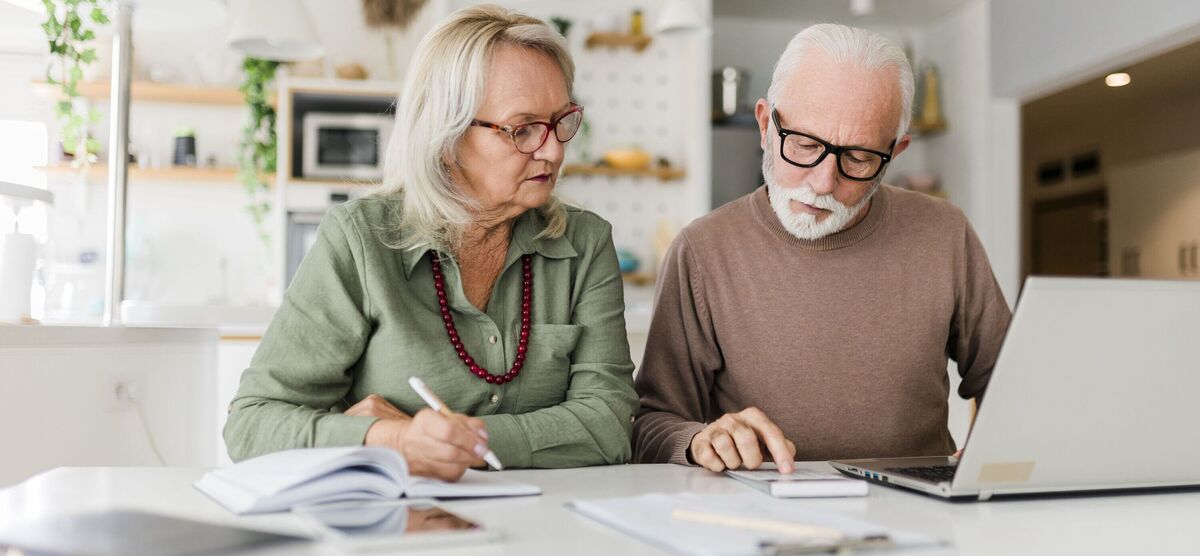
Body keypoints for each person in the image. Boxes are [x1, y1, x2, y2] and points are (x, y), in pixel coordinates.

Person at [225, 5, 637, 480]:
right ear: (446, 134)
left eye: (561, 121)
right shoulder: (361, 240)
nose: (554, 149)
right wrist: (388, 440)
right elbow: (251, 425)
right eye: (522, 129)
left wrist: (458, 442)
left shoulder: (585, 243)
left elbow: (609, 424)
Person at [632, 23, 1012, 472]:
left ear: (898, 150)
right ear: (764, 126)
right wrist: (698, 440)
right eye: (805, 145)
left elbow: (1010, 381)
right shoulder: (702, 250)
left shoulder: (945, 233)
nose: (823, 182)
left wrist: (998, 452)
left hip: (921, 513)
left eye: (858, 158)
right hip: (762, 516)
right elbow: (650, 425)